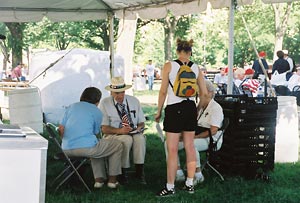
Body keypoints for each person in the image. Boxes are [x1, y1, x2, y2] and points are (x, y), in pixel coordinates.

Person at [155, 38, 208, 196]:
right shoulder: (196, 68)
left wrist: (158, 111)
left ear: (178, 51)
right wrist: (197, 109)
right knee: (190, 147)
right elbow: (204, 94)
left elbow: (163, 91)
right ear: (190, 52)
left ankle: (170, 187)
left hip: (173, 108)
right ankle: (190, 184)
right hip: (190, 107)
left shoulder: (169, 65)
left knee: (172, 149)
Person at [58, 87, 123, 189]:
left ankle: (99, 181)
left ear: (82, 96)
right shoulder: (96, 111)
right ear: (98, 100)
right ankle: (112, 181)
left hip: (66, 149)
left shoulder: (71, 107)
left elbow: (61, 128)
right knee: (117, 145)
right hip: (86, 148)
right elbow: (96, 132)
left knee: (98, 146)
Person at [165, 80, 223, 186]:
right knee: (169, 142)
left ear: (210, 93)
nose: (199, 93)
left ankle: (198, 175)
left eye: (201, 91)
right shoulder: (199, 107)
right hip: (196, 135)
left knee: (190, 145)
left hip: (210, 138)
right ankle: (178, 172)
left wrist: (194, 137)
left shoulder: (216, 108)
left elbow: (213, 130)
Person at [100, 76, 147, 185]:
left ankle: (139, 172)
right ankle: (122, 172)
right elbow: (104, 128)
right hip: (114, 134)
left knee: (140, 138)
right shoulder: (105, 103)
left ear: (125, 90)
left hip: (132, 131)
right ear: (111, 92)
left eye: (122, 92)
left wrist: (139, 128)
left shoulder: (134, 101)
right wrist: (120, 131)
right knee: (126, 139)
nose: (120, 96)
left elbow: (141, 121)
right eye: (116, 93)